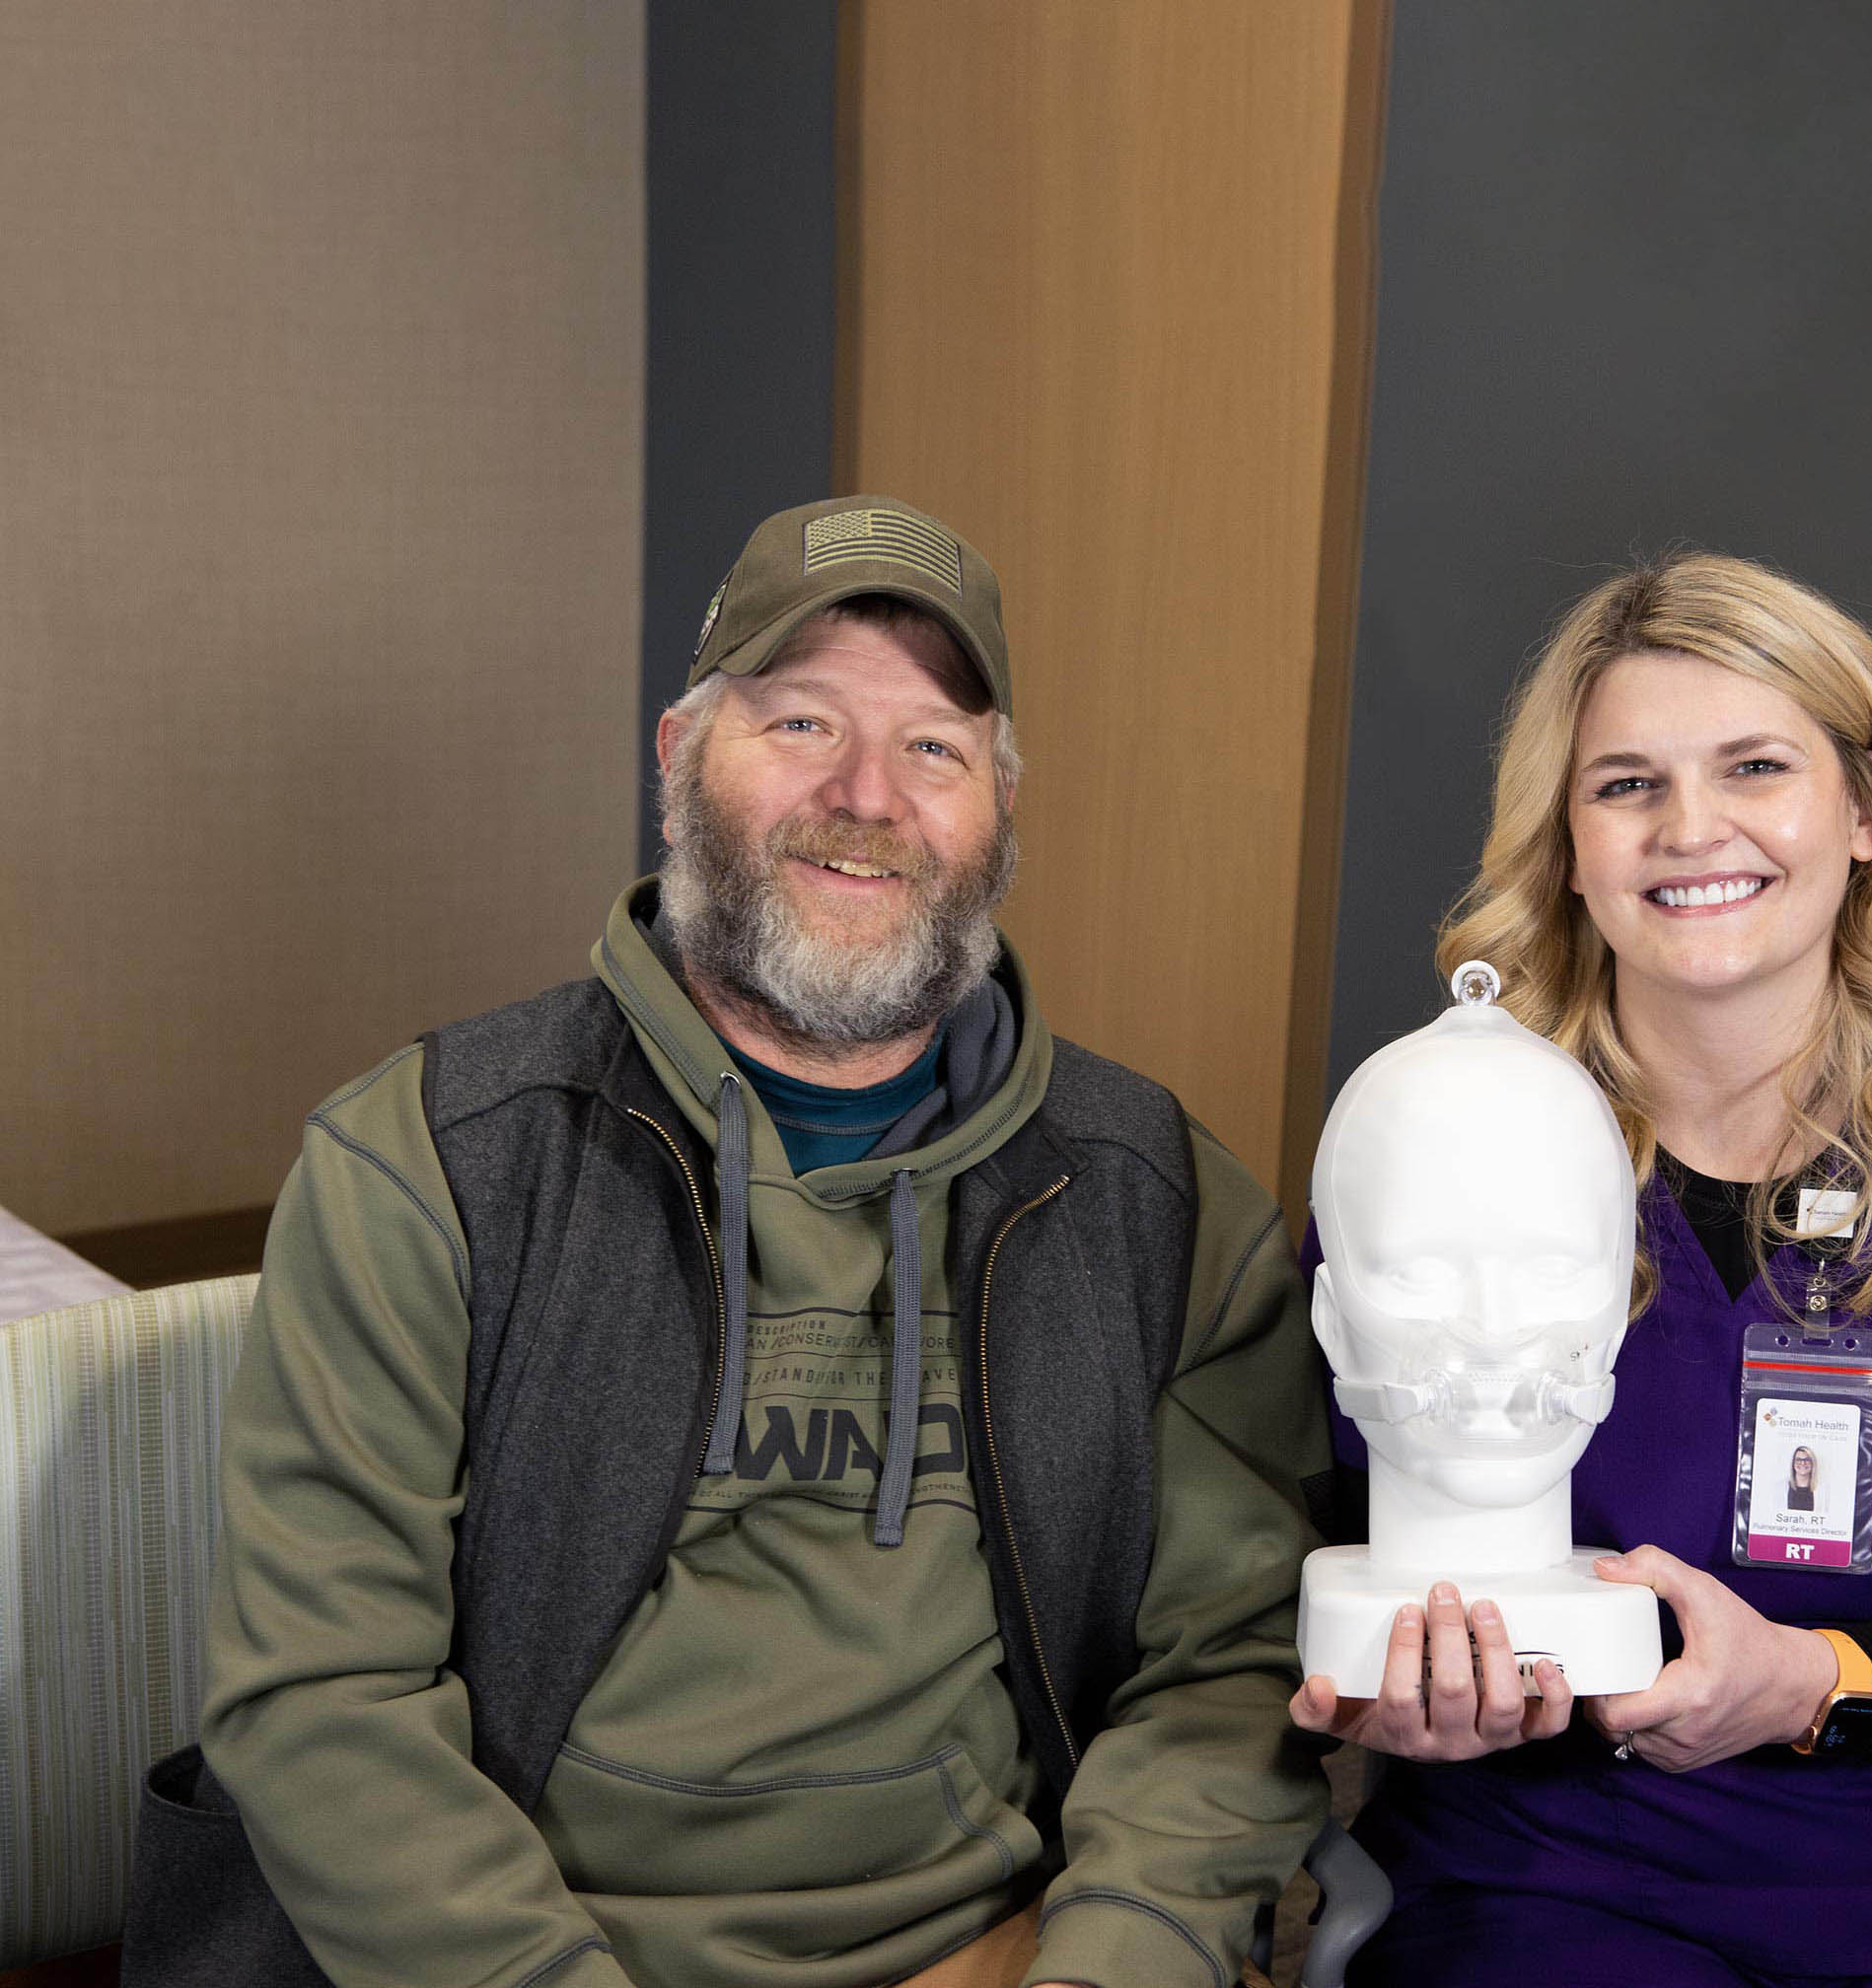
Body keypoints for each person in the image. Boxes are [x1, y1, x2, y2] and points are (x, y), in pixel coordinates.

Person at [134, 498, 1331, 1988]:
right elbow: (323, 1699)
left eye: (936, 749)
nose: (869, 796)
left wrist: (1113, 1965)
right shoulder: (428, 1160)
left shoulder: (1157, 1201)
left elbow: (1226, 1673)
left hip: (1000, 1954)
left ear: (999, 815)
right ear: (676, 756)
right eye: (801, 724)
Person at [1293, 551, 1872, 1986]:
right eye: (1624, 784)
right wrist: (1384, 1704)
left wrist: (1817, 1686)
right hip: (1558, 1884)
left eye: (1754, 767)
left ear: (1863, 811)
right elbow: (1304, 1550)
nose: (1692, 829)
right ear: (1563, 838)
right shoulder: (1450, 1132)